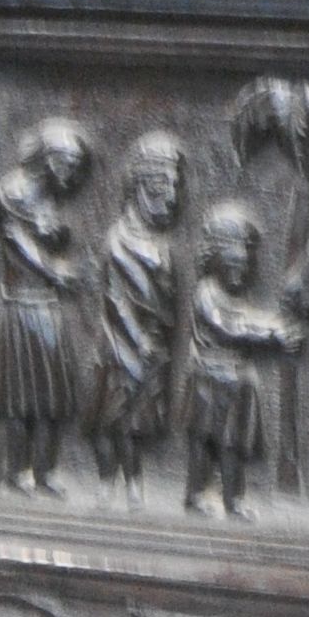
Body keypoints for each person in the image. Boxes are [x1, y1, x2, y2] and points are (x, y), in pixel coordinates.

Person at [0, 119, 94, 493]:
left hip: (46, 307)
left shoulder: (47, 196)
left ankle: (45, 471)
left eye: (75, 168)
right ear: (48, 158)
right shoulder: (14, 190)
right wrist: (54, 271)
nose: (70, 174)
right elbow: (16, 241)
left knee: (51, 399)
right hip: (21, 306)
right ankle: (18, 472)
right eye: (66, 164)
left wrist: (56, 240)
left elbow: (44, 236)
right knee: (20, 401)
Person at [183, 202, 307, 517]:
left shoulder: (235, 295)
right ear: (215, 259)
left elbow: (245, 318)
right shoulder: (207, 292)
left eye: (246, 264)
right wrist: (271, 334)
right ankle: (196, 494)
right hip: (209, 379)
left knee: (232, 446)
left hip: (236, 380)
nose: (244, 271)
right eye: (235, 264)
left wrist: (273, 327)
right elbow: (229, 327)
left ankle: (233, 499)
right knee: (204, 443)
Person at [88, 131, 189, 496]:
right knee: (109, 417)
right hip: (119, 346)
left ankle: (132, 482)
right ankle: (105, 481)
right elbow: (115, 300)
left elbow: (168, 305)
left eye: (173, 185)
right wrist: (136, 338)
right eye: (163, 185)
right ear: (142, 185)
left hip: (153, 350)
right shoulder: (119, 240)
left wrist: (155, 339)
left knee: (136, 423)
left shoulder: (159, 246)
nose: (172, 197)